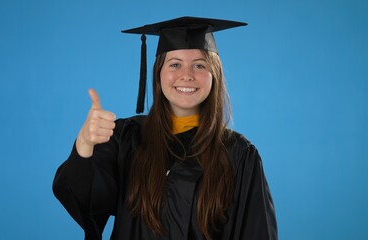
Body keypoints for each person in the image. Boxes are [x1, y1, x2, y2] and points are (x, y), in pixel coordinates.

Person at [53, 16, 277, 240]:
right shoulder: (125, 139)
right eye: (175, 64)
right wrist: (84, 144)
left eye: (199, 65)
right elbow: (87, 202)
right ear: (159, 73)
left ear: (214, 75)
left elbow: (256, 232)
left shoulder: (239, 155)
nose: (186, 75)